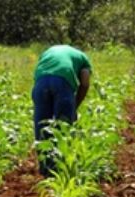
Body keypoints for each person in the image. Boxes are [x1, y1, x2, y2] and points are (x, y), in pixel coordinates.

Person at [32, 45, 92, 176]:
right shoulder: (83, 58)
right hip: (62, 84)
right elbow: (85, 83)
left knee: (42, 126)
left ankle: (45, 168)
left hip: (40, 83)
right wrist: (75, 106)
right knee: (63, 126)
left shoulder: (48, 51)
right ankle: (61, 169)